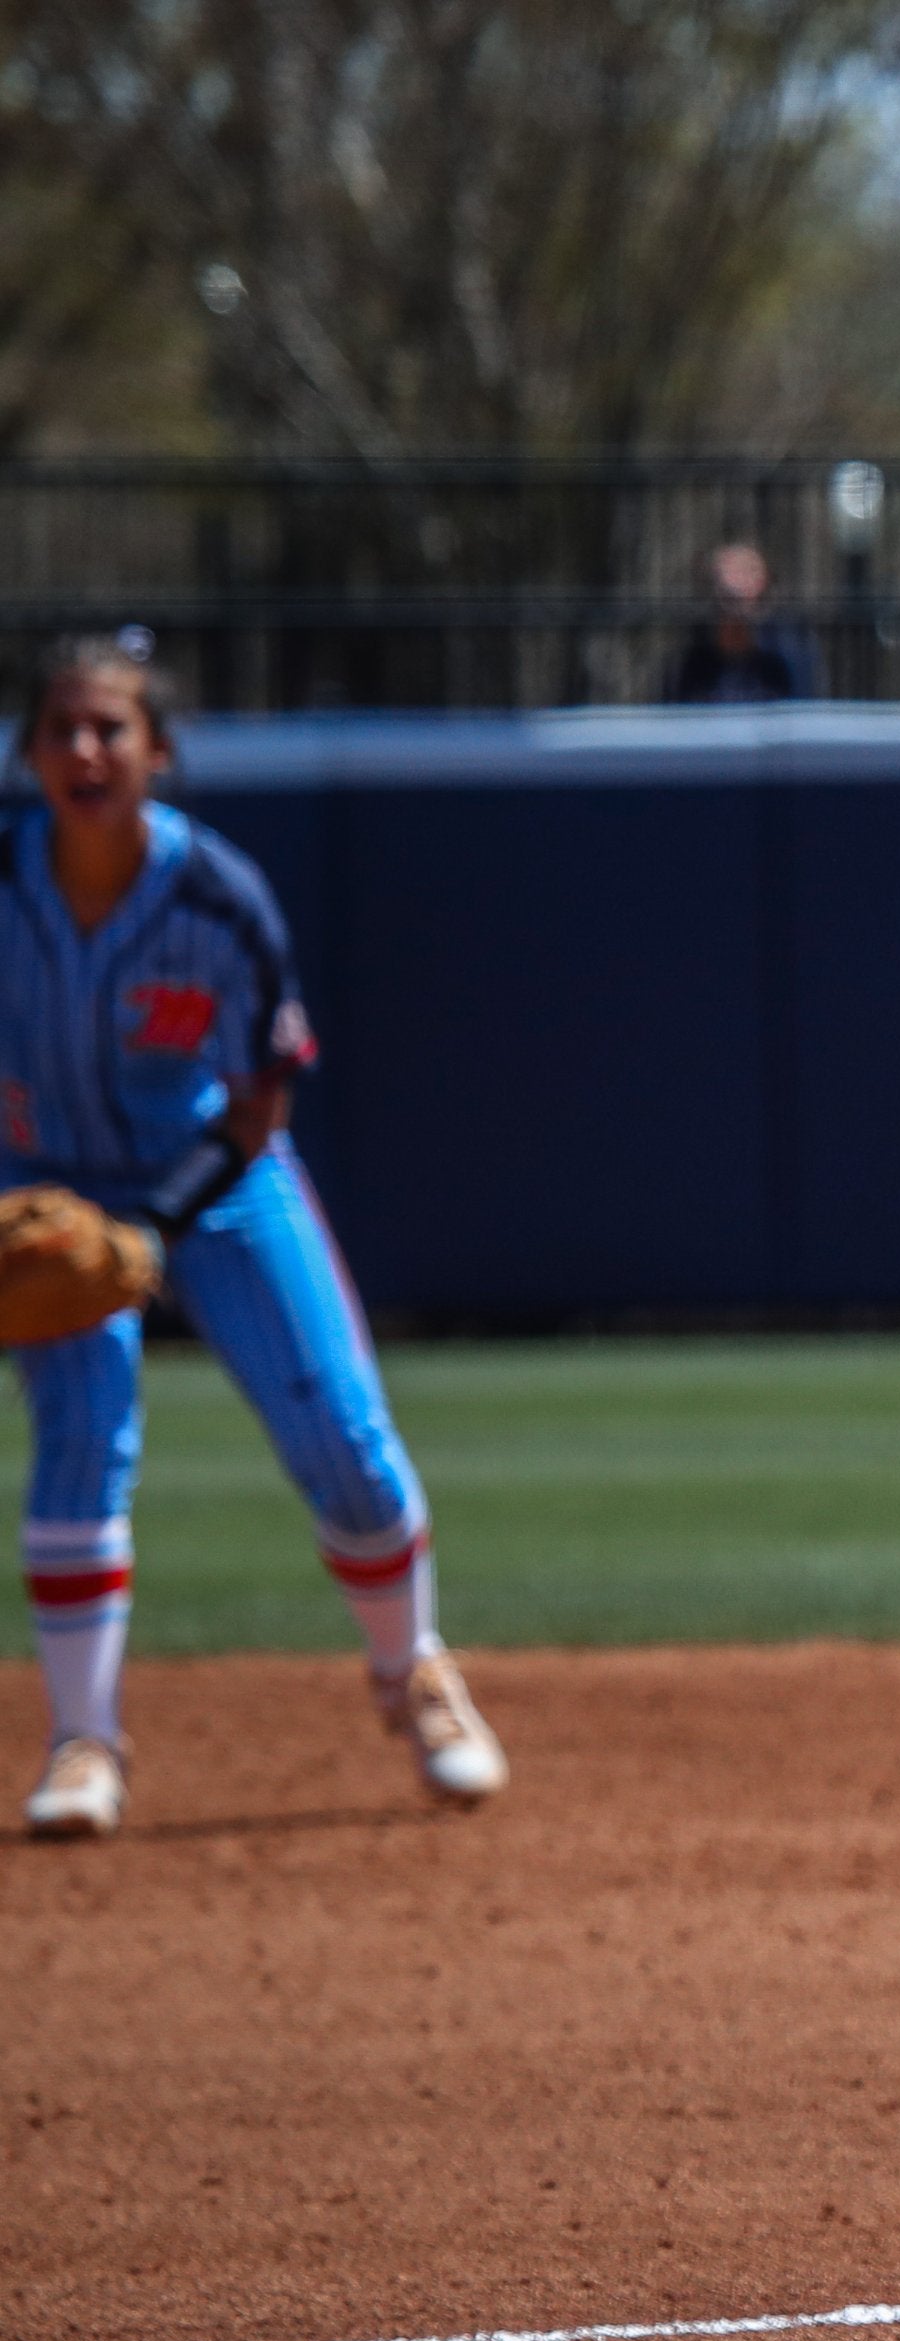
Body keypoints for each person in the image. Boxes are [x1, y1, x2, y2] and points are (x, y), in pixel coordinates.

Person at [4, 636, 506, 1839]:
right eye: (62, 728)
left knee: (346, 1436)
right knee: (80, 1437)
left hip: (215, 1179)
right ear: (26, 753)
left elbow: (257, 1102)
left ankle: (415, 1673)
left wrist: (150, 1226)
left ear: (157, 754)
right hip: (42, 1183)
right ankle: (84, 1742)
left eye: (110, 728)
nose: (85, 748)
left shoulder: (216, 898)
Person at [666, 542, 815, 704]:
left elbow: (802, 707)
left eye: (748, 571)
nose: (736, 583)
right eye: (729, 572)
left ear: (765, 582)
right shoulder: (693, 655)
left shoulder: (789, 648)